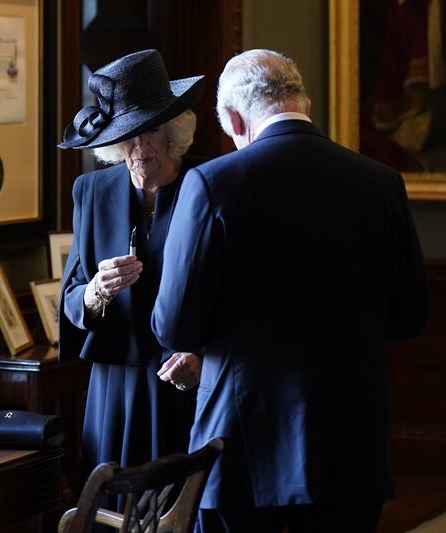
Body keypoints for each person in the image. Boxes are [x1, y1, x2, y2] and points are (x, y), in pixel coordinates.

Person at [151, 49, 429, 532]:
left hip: (242, 448)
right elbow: (409, 318)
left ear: (235, 118)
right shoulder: (381, 183)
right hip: (351, 445)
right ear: (304, 103)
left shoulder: (213, 184)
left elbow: (175, 325)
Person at [57, 49, 206, 492]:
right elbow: (72, 295)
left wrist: (202, 357)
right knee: (111, 506)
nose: (139, 148)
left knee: (177, 505)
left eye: (151, 131)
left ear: (174, 130)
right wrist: (96, 292)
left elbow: (236, 294)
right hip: (115, 388)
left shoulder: (207, 187)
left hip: (183, 378)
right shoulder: (92, 191)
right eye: (128, 137)